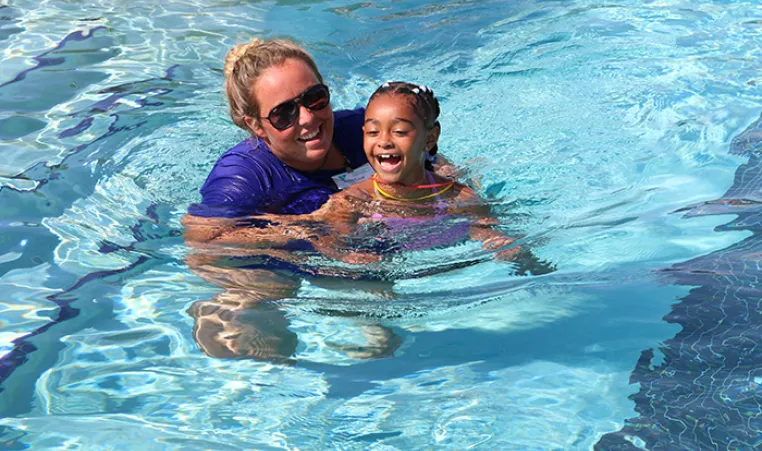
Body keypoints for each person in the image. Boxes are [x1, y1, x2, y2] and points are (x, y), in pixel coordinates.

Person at [306, 81, 521, 261]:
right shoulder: (352, 201)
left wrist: (502, 244)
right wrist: (348, 256)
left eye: (399, 131)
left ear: (430, 138)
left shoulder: (461, 199)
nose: (384, 142)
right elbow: (329, 242)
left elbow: (486, 231)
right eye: (373, 132)